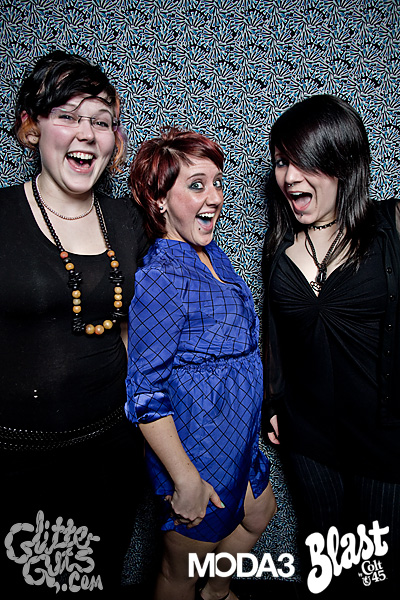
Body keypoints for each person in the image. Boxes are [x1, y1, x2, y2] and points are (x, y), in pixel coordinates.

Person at [0, 51, 148, 597]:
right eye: (67, 115)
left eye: (101, 121)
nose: (86, 132)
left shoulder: (129, 221)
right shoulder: (3, 216)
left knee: (95, 582)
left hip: (109, 453)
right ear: (33, 126)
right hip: (17, 463)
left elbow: (133, 333)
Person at [125, 127, 276, 600]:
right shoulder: (163, 275)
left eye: (217, 182)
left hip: (237, 436)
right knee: (180, 572)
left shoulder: (211, 254)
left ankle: (216, 591)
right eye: (196, 185)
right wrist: (185, 477)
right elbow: (144, 392)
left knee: (259, 514)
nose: (215, 197)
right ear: (159, 201)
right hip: (200, 446)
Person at [262, 94, 400, 598]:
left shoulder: (390, 225)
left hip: (384, 433)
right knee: (324, 556)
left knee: (376, 567)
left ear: (343, 162)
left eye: (304, 162)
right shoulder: (279, 246)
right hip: (309, 435)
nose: (289, 177)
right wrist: (274, 401)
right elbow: (277, 334)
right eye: (282, 162)